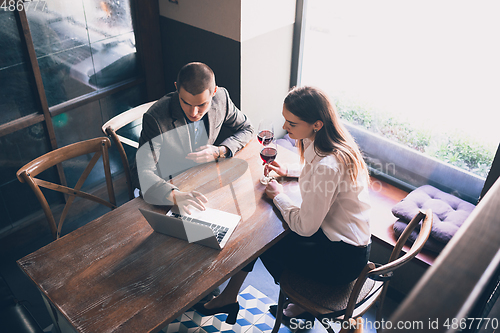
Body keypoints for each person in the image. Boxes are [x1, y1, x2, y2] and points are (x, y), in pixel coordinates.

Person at [194, 86, 371, 323]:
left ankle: (297, 298)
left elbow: (305, 226)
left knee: (257, 242)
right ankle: (230, 296)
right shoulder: (331, 144)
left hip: (340, 261)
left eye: (292, 123)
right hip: (350, 246)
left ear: (316, 123)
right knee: (263, 234)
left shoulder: (326, 165)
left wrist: (278, 195)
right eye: (285, 120)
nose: (285, 127)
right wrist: (289, 170)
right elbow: (319, 172)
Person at [134, 62, 254, 211]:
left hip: (208, 181)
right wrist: (174, 195)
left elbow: (247, 128)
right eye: (186, 102)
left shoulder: (222, 98)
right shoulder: (155, 118)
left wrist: (219, 151)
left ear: (214, 92)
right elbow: (141, 172)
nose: (193, 112)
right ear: (176, 87)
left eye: (202, 105)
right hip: (169, 190)